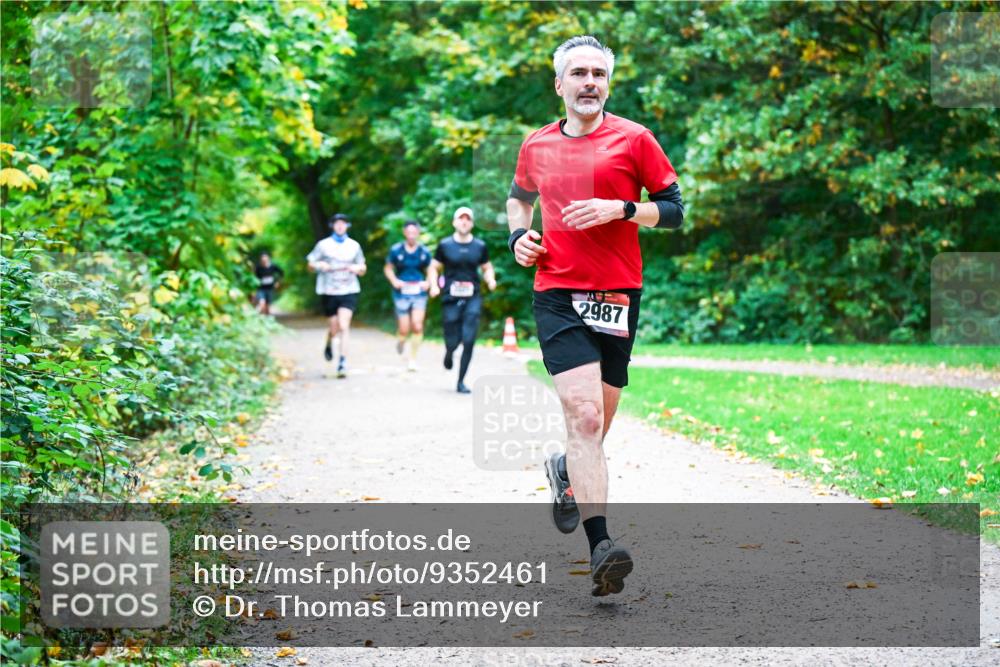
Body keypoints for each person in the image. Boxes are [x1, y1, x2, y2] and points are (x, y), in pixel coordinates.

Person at [506, 35, 685, 597]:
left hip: (618, 293)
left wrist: (624, 208)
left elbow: (676, 211)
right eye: (578, 73)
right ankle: (602, 549)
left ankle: (565, 473)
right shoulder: (536, 145)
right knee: (585, 419)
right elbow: (518, 198)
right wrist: (518, 237)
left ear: (608, 83)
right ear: (558, 85)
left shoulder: (635, 140)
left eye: (598, 74)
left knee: (596, 426)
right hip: (557, 291)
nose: (589, 83)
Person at [427, 206, 496, 394]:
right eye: (461, 218)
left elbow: (487, 267)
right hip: (450, 296)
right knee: (452, 339)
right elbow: (434, 268)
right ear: (454, 222)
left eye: (468, 219)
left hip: (472, 296)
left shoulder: (479, 246)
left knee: (469, 339)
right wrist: (433, 285)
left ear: (472, 223)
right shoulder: (445, 245)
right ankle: (449, 352)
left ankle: (461, 381)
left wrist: (490, 278)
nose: (464, 221)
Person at [306, 213, 366, 378]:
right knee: (334, 327)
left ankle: (342, 362)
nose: (340, 226)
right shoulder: (323, 245)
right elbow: (310, 264)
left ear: (347, 226)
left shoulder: (354, 246)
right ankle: (329, 342)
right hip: (328, 290)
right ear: (332, 226)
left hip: (349, 290)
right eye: (337, 223)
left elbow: (363, 267)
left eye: (343, 223)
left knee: (344, 325)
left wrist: (358, 269)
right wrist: (319, 265)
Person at [383, 220, 432, 371]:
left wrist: (428, 282)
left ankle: (412, 359)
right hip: (401, 292)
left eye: (414, 232)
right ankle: (402, 339)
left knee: (417, 326)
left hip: (419, 292)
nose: (411, 235)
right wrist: (394, 280)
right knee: (404, 328)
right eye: (408, 232)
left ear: (418, 233)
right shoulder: (396, 250)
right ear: (405, 233)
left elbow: (431, 269)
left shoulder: (424, 251)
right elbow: (388, 268)